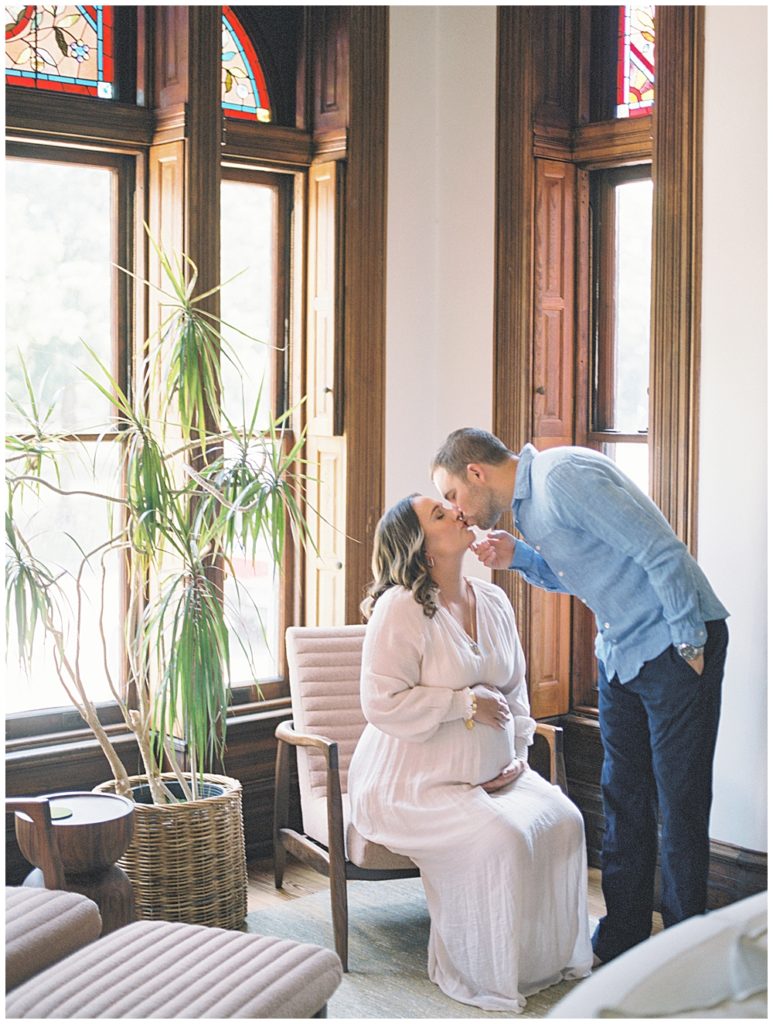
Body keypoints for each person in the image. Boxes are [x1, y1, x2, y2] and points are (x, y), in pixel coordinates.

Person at [431, 428, 729, 965]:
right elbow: (586, 573)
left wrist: (690, 642)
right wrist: (518, 556)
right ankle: (623, 938)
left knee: (680, 802)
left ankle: (691, 957)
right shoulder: (530, 510)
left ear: (475, 472)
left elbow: (660, 550)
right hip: (621, 653)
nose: (458, 512)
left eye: (452, 495)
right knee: (623, 797)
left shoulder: (560, 476)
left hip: (673, 645)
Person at [347, 494, 593, 1012]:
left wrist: (517, 754)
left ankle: (540, 961)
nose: (456, 512)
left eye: (449, 505)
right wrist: (461, 702)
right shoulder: (401, 608)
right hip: (412, 783)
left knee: (566, 820)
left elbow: (516, 692)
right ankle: (485, 972)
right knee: (499, 839)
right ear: (422, 548)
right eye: (439, 514)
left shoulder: (495, 601)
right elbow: (380, 703)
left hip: (498, 772)